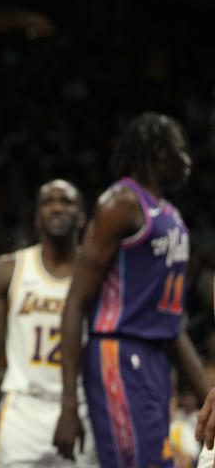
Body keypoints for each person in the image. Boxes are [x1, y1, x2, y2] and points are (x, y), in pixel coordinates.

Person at [54, 112, 211, 468]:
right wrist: (68, 406)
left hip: (157, 359)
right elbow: (76, 302)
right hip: (117, 353)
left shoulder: (172, 216)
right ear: (158, 153)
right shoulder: (121, 203)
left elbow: (172, 327)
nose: (188, 161)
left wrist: (207, 395)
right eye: (181, 151)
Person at [0, 179, 97, 467]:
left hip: (81, 407)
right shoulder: (8, 270)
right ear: (36, 217)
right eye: (49, 202)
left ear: (81, 217)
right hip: (22, 409)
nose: (57, 207)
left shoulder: (98, 276)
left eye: (66, 202)